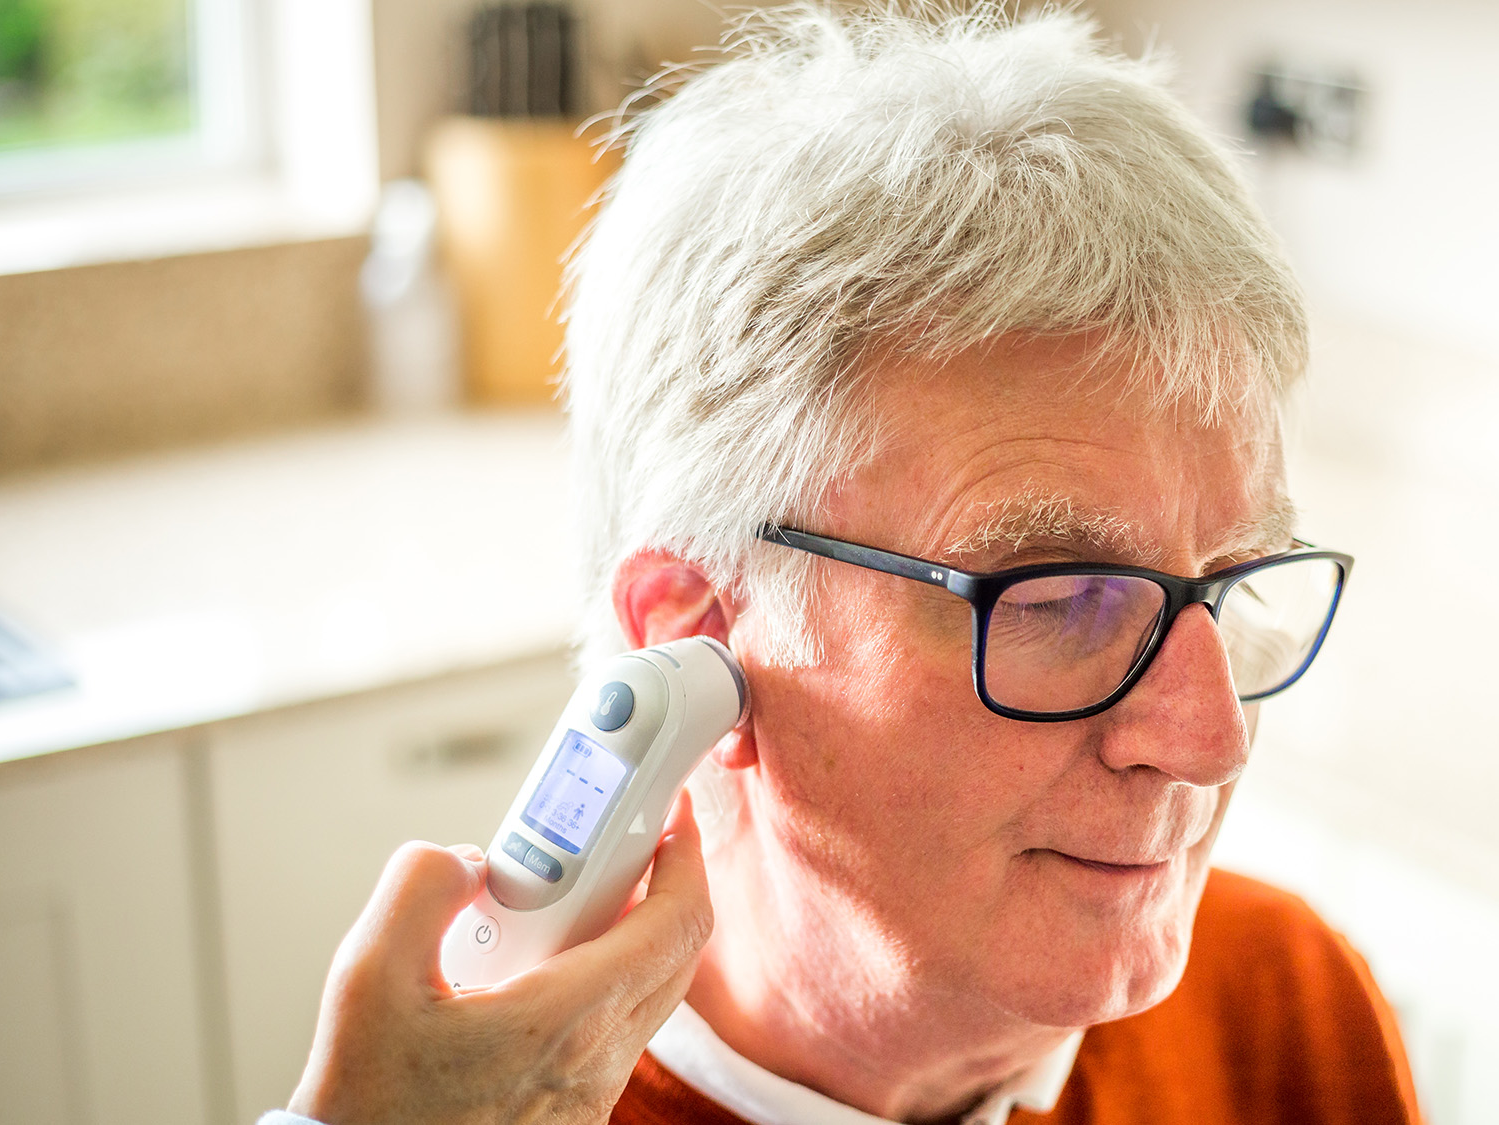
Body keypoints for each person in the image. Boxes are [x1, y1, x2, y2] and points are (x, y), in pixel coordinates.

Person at [265, 6, 1419, 1124]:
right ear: (697, 634)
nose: (1208, 739)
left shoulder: (1285, 1012)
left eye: (1230, 582)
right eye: (1062, 598)